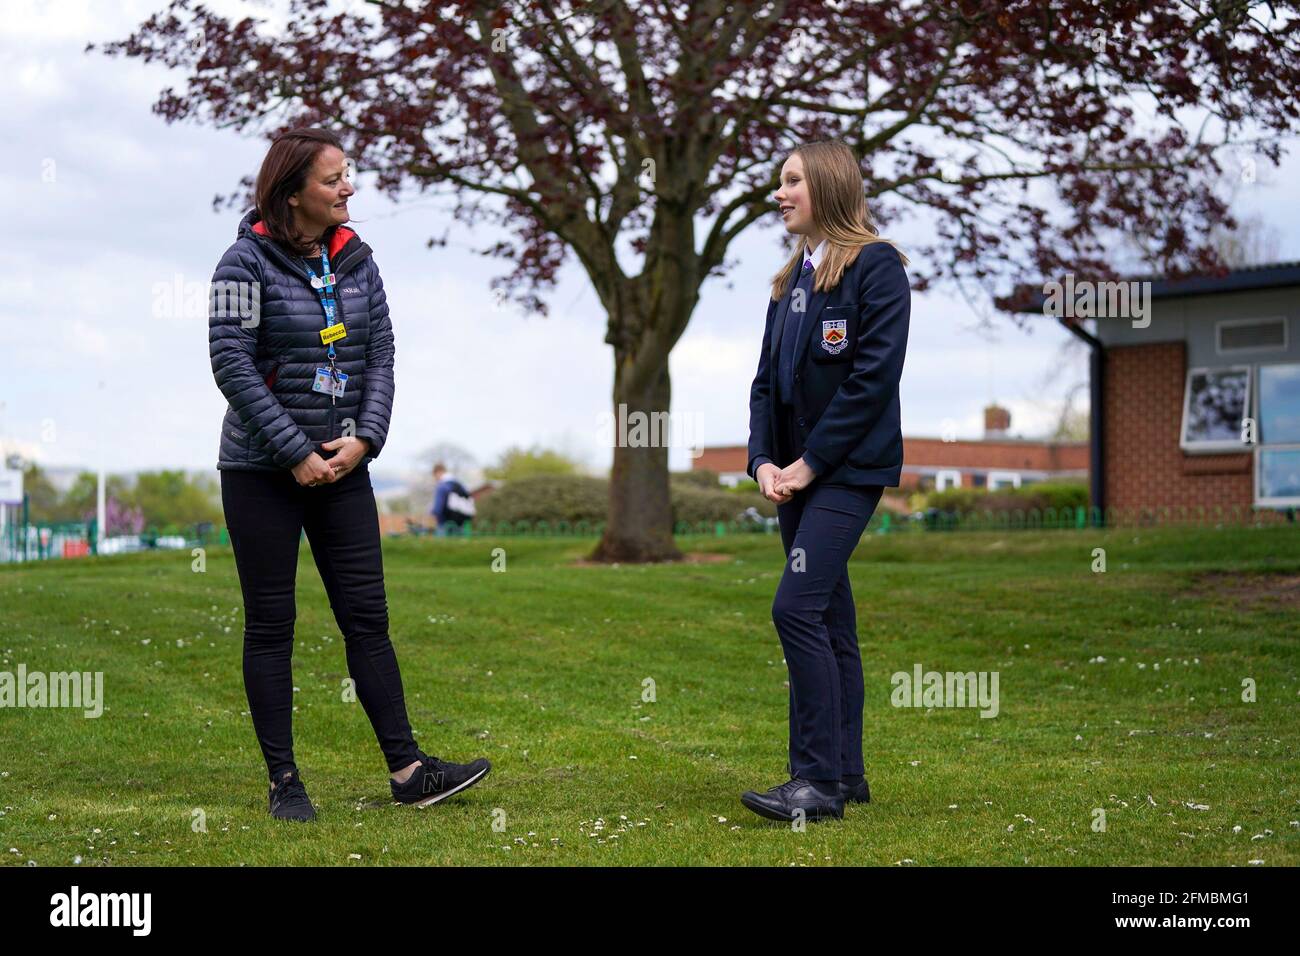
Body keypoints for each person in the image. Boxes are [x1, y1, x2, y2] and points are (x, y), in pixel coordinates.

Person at [209, 127, 490, 821]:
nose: (349, 188)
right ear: (293, 190)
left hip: (345, 469)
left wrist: (365, 440)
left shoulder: (357, 261)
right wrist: (294, 452)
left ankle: (408, 770)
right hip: (262, 472)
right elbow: (231, 365)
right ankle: (284, 781)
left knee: (368, 620)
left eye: (348, 174)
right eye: (334, 178)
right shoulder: (242, 264)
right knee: (272, 624)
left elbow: (382, 355)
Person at [741, 139, 911, 823]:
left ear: (830, 188)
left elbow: (872, 382)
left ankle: (813, 781)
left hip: (846, 474)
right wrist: (762, 464)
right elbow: (763, 388)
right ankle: (845, 773)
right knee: (832, 621)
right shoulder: (789, 283)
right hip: (793, 479)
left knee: (796, 609)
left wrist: (809, 466)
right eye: (779, 183)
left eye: (792, 182)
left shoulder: (878, 269)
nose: (779, 194)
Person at [430, 463, 475, 535]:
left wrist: (433, 515)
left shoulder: (442, 486)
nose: (435, 478)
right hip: (461, 520)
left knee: (443, 544)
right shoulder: (458, 484)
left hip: (445, 522)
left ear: (438, 472)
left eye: (435, 475)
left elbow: (438, 508)